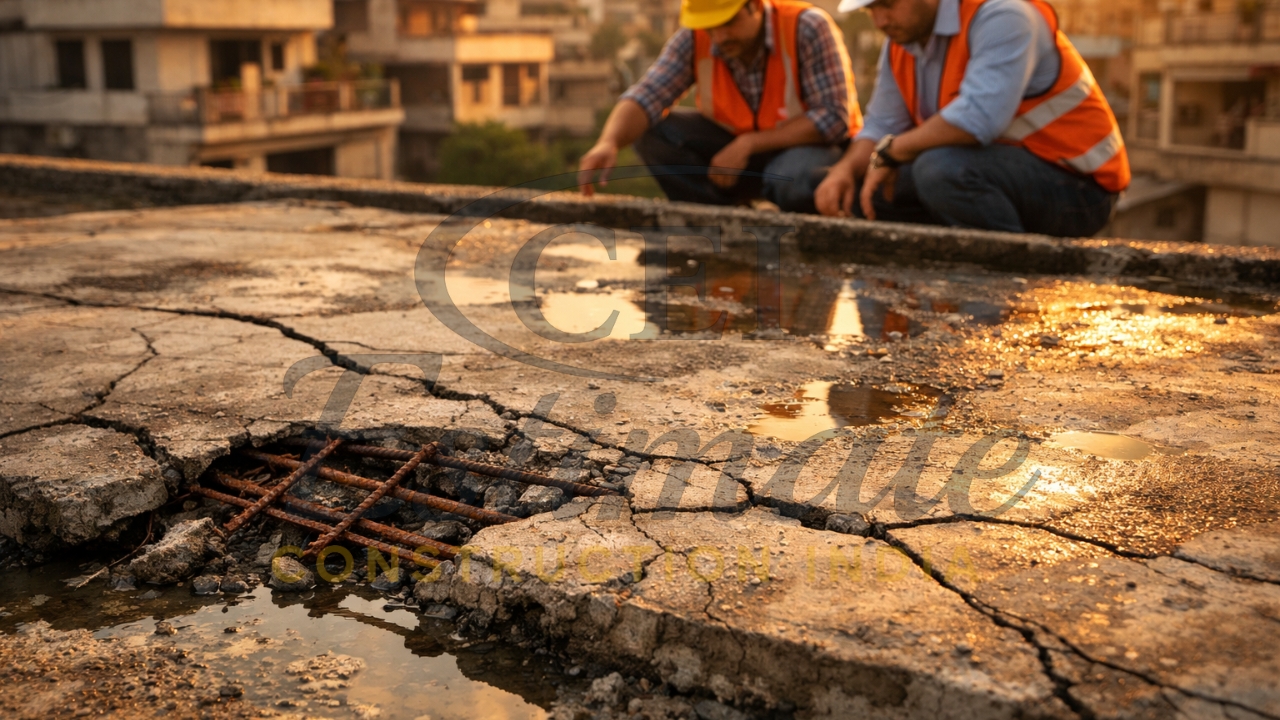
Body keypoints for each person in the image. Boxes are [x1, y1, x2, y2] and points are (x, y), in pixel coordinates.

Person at [813, 0, 1130, 236]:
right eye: (872, 10)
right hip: (998, 170)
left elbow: (979, 118)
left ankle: (1011, 283)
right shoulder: (902, 41)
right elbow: (882, 124)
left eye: (888, 4)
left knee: (939, 170)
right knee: (860, 188)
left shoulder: (1003, 15)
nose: (880, 20)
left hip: (1079, 184)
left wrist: (890, 152)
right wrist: (844, 170)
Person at [577, 0, 862, 213]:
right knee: (653, 132)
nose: (720, 36)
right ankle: (720, 222)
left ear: (755, 6)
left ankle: (801, 237)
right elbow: (646, 95)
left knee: (793, 177)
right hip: (731, 159)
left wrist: (750, 143)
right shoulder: (695, 36)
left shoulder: (807, 27)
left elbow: (834, 118)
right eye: (711, 27)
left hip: (809, 150)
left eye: (729, 22)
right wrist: (609, 142)